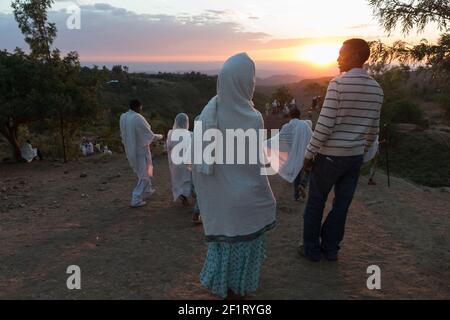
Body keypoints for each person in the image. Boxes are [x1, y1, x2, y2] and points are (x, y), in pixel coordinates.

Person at [192, 53, 276, 299]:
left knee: (222, 247)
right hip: (246, 199)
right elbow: (255, 164)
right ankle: (239, 287)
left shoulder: (209, 112)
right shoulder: (253, 118)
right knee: (244, 245)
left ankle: (220, 284)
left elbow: (199, 160)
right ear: (247, 82)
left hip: (221, 200)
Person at [300, 39, 384, 262]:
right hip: (353, 158)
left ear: (356, 56)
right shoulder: (377, 89)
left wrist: (309, 155)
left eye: (342, 54)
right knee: (341, 206)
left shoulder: (338, 84)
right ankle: (330, 249)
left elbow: (325, 126)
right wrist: (361, 151)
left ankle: (311, 250)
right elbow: (373, 130)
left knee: (316, 202)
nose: (338, 58)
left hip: (329, 157)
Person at [120, 99, 164, 208]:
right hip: (141, 151)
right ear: (138, 107)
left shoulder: (124, 117)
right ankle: (136, 198)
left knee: (146, 171)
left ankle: (148, 189)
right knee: (144, 175)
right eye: (141, 107)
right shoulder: (138, 118)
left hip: (130, 149)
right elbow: (149, 135)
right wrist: (161, 136)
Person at [264, 108, 313, 201]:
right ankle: (303, 184)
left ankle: (296, 196)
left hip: (294, 155)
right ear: (299, 115)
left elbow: (280, 139)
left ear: (290, 116)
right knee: (309, 171)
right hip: (306, 154)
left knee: (297, 174)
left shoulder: (287, 126)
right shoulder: (305, 125)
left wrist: (267, 143)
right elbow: (312, 137)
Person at [167, 113, 193, 205]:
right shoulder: (190, 134)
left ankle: (182, 196)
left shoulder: (170, 133)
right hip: (186, 164)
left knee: (177, 181)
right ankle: (188, 197)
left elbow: (168, 147)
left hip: (175, 164)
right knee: (187, 181)